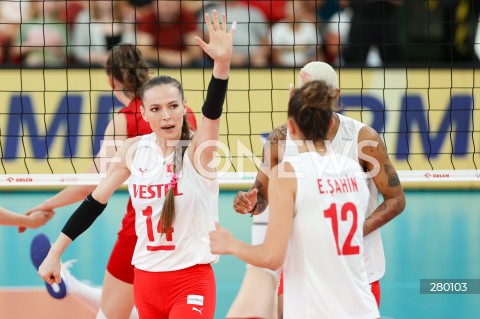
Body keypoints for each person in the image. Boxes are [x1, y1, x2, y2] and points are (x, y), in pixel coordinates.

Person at [37, 10, 234, 319]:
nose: (166, 116)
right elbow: (94, 201)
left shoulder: (199, 149)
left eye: (172, 107)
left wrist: (221, 66)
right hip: (146, 279)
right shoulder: (133, 151)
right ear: (144, 115)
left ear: (184, 108)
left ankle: (74, 286)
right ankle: (73, 284)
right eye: (155, 109)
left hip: (190, 280)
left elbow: (212, 114)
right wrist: (55, 251)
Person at [26, 43, 196, 318]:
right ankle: (71, 285)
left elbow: (93, 185)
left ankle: (71, 285)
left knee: (114, 312)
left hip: (141, 229)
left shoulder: (123, 122)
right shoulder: (181, 112)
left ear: (111, 80)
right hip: (189, 229)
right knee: (142, 307)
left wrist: (47, 203)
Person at [230, 61, 406, 318]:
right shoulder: (280, 139)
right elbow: (261, 195)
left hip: (357, 268)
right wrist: (249, 201)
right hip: (301, 270)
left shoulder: (362, 138)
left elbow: (395, 199)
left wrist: (356, 229)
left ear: (334, 98)